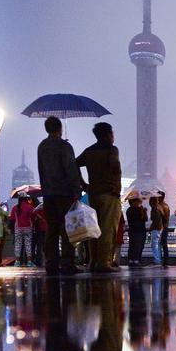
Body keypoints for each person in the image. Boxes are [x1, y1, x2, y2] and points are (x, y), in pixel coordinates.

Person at [37, 116, 84, 275]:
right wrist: (76, 190)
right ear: (60, 129)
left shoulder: (42, 146)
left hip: (48, 193)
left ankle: (51, 262)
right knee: (67, 228)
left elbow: (41, 171)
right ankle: (67, 263)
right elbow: (70, 169)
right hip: (64, 193)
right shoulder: (65, 146)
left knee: (52, 229)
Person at [76, 121, 122, 273]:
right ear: (108, 134)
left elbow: (74, 164)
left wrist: (83, 184)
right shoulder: (111, 150)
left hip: (93, 193)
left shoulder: (89, 151)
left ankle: (93, 261)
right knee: (108, 228)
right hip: (109, 192)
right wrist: (116, 185)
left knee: (94, 229)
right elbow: (115, 166)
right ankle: (104, 262)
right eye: (112, 133)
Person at [10, 194, 34, 266]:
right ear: (26, 199)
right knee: (28, 244)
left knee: (18, 244)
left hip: (18, 228)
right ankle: (29, 262)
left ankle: (17, 262)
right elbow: (33, 217)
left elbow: (12, 219)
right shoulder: (30, 207)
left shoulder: (15, 208)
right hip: (28, 228)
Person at [148, 194, 170, 267]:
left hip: (157, 227)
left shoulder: (156, 208)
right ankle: (164, 261)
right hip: (163, 227)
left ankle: (157, 260)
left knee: (155, 244)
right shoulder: (165, 206)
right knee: (161, 244)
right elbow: (165, 218)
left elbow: (155, 219)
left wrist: (151, 227)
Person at [126, 197, 148, 267]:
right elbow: (145, 219)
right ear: (133, 202)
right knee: (139, 245)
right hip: (140, 230)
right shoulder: (139, 210)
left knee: (132, 245)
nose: (139, 202)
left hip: (132, 230)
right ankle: (137, 260)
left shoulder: (128, 210)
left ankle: (131, 260)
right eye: (138, 201)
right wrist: (144, 211)